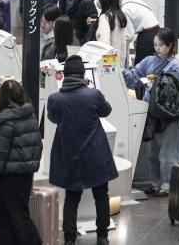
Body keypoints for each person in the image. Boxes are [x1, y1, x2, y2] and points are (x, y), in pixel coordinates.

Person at [48, 55, 117, 245]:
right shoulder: (93, 94)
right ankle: (102, 235)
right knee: (101, 195)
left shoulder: (55, 99)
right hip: (95, 152)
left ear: (65, 75)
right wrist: (89, 88)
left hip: (70, 154)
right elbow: (106, 110)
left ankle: (69, 238)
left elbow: (53, 118)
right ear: (83, 74)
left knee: (71, 198)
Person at [122, 29, 179, 195]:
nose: (158, 48)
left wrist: (161, 83)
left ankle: (168, 184)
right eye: (155, 45)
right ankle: (155, 182)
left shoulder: (176, 65)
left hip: (168, 113)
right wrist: (118, 69)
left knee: (169, 151)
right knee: (152, 151)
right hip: (151, 111)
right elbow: (132, 79)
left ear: (170, 45)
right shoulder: (148, 61)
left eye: (161, 45)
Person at [0, 80, 43, 245]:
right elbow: (39, 144)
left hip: (8, 177)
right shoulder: (30, 115)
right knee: (15, 214)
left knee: (14, 217)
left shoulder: (6, 121)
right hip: (25, 176)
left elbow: (0, 153)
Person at [112, 0, 160, 66]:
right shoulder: (137, 0)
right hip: (157, 31)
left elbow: (129, 35)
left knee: (140, 67)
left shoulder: (125, 9)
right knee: (152, 64)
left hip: (147, 36)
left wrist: (120, 48)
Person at [96, 0, 128, 64]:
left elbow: (104, 42)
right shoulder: (120, 16)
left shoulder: (105, 17)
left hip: (108, 63)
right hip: (119, 59)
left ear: (104, 1)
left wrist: (106, 64)